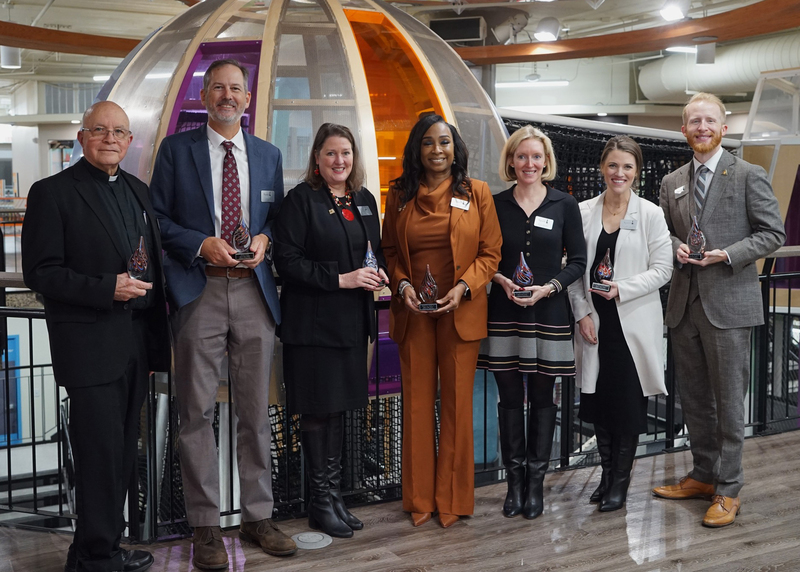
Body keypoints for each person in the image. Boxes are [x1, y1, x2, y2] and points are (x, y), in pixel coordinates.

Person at [149, 59, 296, 569]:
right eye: (219, 88)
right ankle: (205, 526)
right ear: (205, 96)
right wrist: (200, 244)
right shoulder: (176, 150)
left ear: (248, 98)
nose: (228, 96)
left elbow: (277, 218)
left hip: (255, 293)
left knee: (256, 413)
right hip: (200, 292)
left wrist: (264, 239)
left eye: (237, 88)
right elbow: (158, 219)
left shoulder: (268, 154)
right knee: (196, 414)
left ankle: (258, 516)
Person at [22, 101, 169, 572]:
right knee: (99, 455)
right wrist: (108, 288)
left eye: (119, 132)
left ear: (129, 141)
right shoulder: (52, 193)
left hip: (134, 343)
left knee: (122, 451)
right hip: (89, 345)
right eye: (100, 130)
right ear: (82, 139)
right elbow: (41, 273)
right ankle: (97, 556)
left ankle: (96, 548)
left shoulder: (139, 191)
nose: (111, 138)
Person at [653, 93, 785, 527]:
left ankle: (729, 489)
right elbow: (666, 235)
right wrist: (676, 248)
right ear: (685, 129)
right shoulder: (671, 180)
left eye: (710, 120)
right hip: (683, 307)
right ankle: (704, 474)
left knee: (729, 402)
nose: (702, 127)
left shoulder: (748, 174)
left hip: (729, 304)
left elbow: (772, 234)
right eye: (694, 121)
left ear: (724, 128)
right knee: (694, 400)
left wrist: (726, 254)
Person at [382, 114, 502, 528]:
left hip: (460, 312)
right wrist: (402, 288)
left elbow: (490, 254)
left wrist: (464, 288)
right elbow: (389, 253)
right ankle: (419, 499)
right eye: (429, 143)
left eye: (445, 142)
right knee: (415, 407)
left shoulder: (478, 192)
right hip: (413, 314)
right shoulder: (398, 195)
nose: (437, 150)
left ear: (456, 148)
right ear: (418, 149)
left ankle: (452, 499)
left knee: (456, 407)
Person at [274, 123, 387, 538]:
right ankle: (319, 501)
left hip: (353, 324)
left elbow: (375, 253)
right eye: (331, 154)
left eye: (346, 153)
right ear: (317, 160)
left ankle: (334, 495)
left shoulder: (365, 201)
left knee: (339, 410)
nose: (340, 161)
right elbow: (287, 260)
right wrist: (342, 279)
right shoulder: (300, 201)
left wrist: (380, 276)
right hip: (313, 326)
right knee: (318, 411)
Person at [477, 126, 586, 520]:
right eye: (522, 156)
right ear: (510, 161)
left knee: (543, 399)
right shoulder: (492, 203)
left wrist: (550, 288)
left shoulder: (564, 204)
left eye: (536, 157)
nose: (529, 164)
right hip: (503, 313)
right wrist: (498, 279)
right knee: (508, 400)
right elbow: (481, 255)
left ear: (546, 162)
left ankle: (536, 485)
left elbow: (577, 261)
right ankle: (515, 483)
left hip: (548, 312)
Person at [568, 135, 672, 512]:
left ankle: (620, 485)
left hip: (631, 323)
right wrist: (581, 312)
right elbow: (575, 271)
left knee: (626, 407)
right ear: (602, 167)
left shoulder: (649, 214)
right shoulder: (582, 212)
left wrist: (621, 289)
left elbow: (663, 269)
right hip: (595, 323)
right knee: (597, 403)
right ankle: (606, 476)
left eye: (627, 166)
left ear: (637, 172)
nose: (619, 173)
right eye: (613, 165)